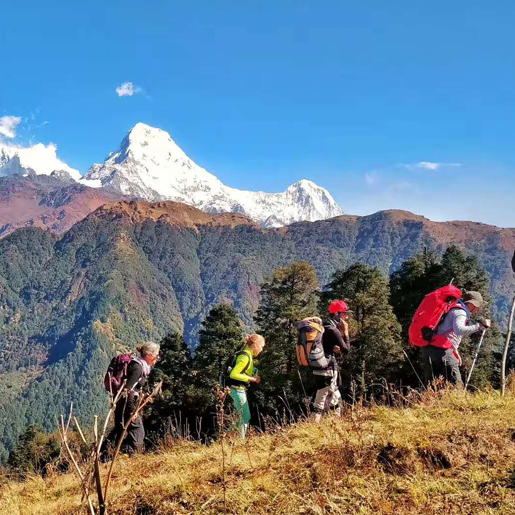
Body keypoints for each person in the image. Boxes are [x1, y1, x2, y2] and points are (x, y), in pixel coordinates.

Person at [422, 291, 491, 386]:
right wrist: (479, 326)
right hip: (442, 350)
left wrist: (455, 351)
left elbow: (448, 333)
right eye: (478, 306)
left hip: (430, 348)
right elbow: (459, 330)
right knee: (456, 385)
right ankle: (458, 399)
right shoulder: (461, 312)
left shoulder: (454, 309)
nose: (478, 309)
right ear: (472, 304)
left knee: (433, 386)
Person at [109, 341, 160, 454]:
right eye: (156, 355)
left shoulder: (139, 366)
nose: (158, 357)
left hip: (122, 404)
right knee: (138, 431)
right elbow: (127, 390)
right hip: (127, 404)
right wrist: (132, 411)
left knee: (120, 430)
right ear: (148, 355)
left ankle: (107, 455)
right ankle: (132, 456)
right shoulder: (138, 368)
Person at [312, 300, 351, 423]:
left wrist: (334, 349)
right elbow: (346, 349)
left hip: (318, 366)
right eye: (344, 313)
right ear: (336, 314)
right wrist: (346, 332)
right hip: (328, 369)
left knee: (331, 395)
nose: (347, 316)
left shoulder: (323, 327)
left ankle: (333, 423)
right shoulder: (333, 330)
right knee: (322, 397)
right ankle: (317, 426)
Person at [228, 334, 265, 438]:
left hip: (237, 389)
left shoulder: (246, 354)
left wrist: (253, 372)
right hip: (237, 389)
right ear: (256, 345)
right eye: (261, 346)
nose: (262, 349)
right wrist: (252, 379)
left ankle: (228, 436)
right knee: (245, 417)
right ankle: (240, 442)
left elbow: (243, 369)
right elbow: (234, 374)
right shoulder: (245, 356)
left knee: (241, 417)